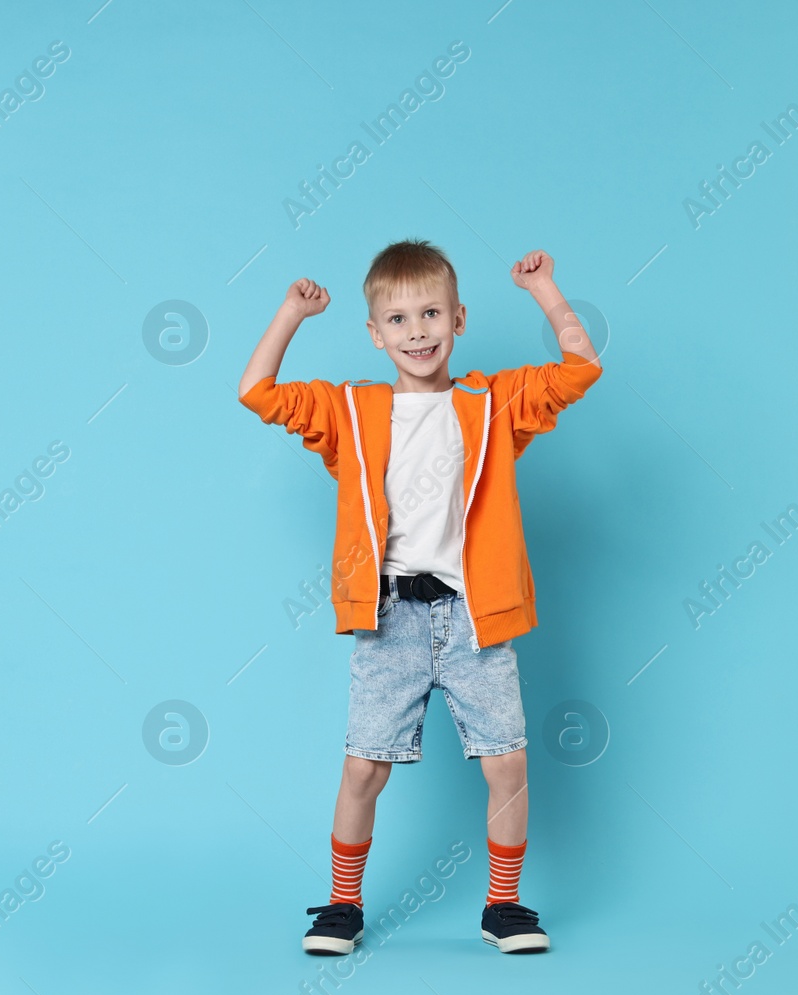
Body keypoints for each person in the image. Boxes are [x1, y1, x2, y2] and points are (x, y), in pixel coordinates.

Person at [237, 238, 603, 954]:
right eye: (398, 320)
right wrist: (291, 312)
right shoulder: (350, 409)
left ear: (459, 318)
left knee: (509, 763)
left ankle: (504, 906)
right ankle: (343, 905)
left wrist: (547, 293)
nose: (418, 332)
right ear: (375, 334)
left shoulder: (491, 403)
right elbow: (257, 390)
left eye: (431, 313)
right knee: (363, 765)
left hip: (476, 615)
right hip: (388, 619)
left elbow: (582, 366)